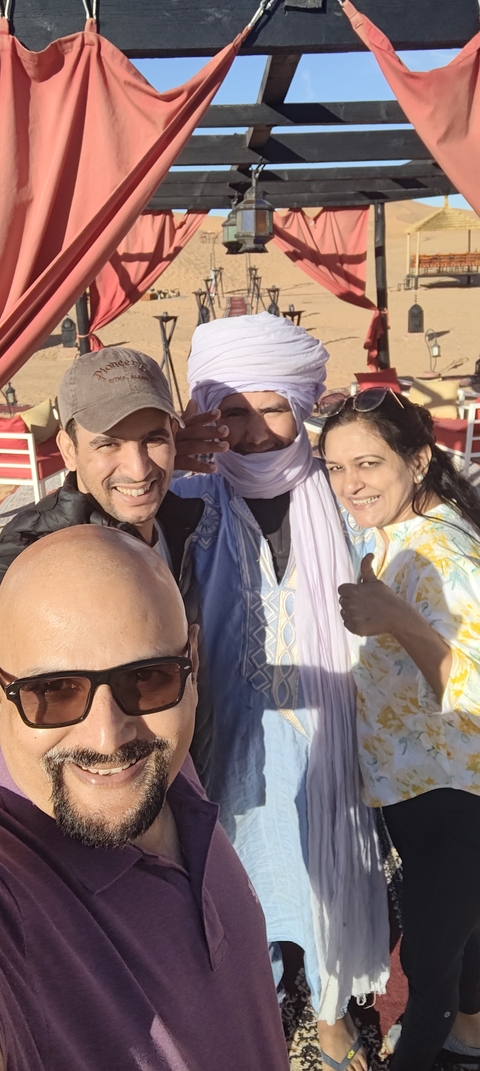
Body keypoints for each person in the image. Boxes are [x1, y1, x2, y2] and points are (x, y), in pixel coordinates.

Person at [172, 312, 389, 1071]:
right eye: (235, 409)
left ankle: (330, 1020)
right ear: (207, 412)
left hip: (332, 742)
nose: (258, 429)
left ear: (303, 406)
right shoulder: (183, 498)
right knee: (238, 886)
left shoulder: (342, 492)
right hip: (229, 743)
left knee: (330, 879)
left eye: (275, 407)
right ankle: (254, 1018)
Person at [0, 524, 290, 1071]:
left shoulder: (168, 761)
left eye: (147, 679)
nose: (109, 738)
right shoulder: (17, 885)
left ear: (192, 665)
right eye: (53, 691)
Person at [320, 388, 480, 1071]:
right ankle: (468, 1038)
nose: (351, 483)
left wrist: (397, 617)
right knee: (460, 932)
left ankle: (417, 1056)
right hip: (418, 779)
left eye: (369, 464)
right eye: (335, 467)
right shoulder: (396, 528)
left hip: (455, 790)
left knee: (430, 950)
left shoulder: (446, 557)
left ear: (416, 462)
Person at [0, 346, 230, 584]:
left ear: (174, 437)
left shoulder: (174, 522)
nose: (138, 470)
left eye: (153, 439)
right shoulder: (35, 553)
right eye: (108, 444)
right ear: (69, 450)